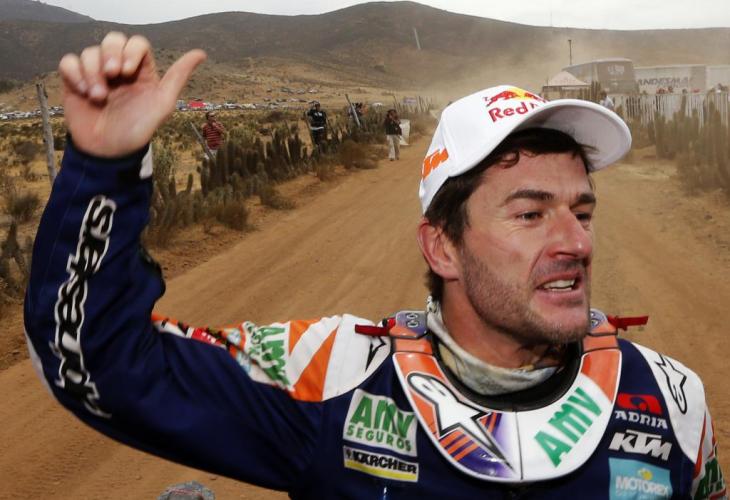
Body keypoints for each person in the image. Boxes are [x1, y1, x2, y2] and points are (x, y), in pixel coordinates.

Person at [25, 33, 725, 499]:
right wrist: (106, 168)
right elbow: (98, 361)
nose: (575, 241)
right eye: (531, 214)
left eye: (582, 211)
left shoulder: (673, 401)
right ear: (441, 247)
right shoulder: (337, 377)